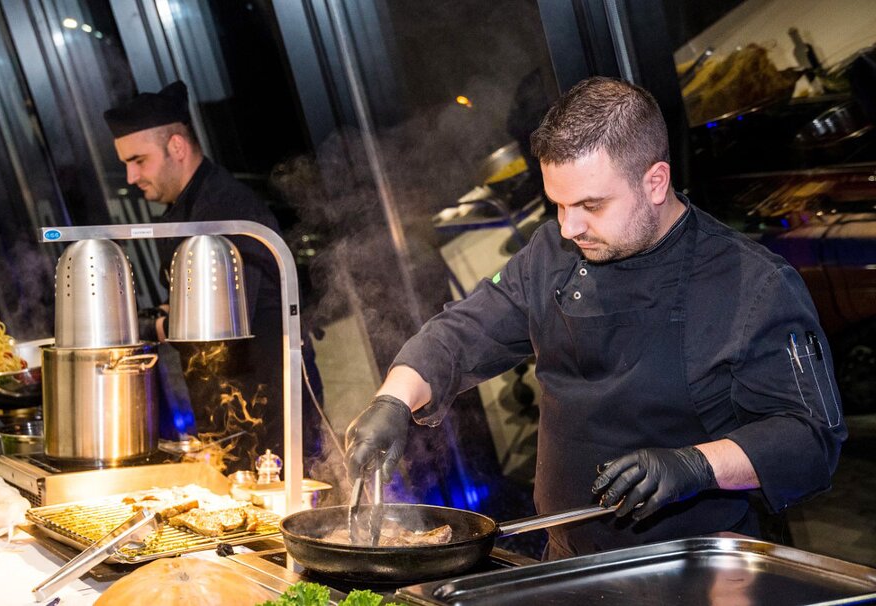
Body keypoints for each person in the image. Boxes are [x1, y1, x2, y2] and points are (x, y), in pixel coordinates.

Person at [343, 77, 846, 560]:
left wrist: (696, 464)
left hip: (695, 568)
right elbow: (465, 331)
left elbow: (809, 436)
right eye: (558, 204)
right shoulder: (551, 254)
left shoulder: (754, 284)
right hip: (565, 557)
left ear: (655, 181)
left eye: (590, 205)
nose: (569, 226)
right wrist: (394, 398)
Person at [104, 81, 316, 471]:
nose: (131, 177)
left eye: (139, 160)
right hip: (227, 410)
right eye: (126, 165)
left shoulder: (227, 207)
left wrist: (155, 326)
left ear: (177, 147)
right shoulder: (185, 209)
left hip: (266, 413)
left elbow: (222, 321)